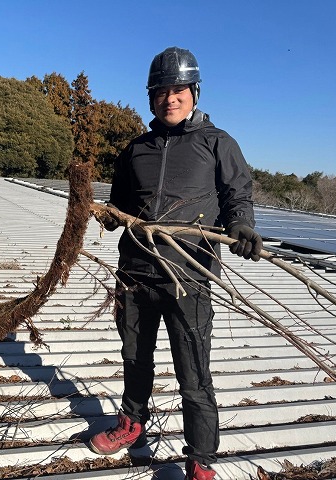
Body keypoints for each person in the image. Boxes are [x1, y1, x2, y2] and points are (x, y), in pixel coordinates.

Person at [88, 47, 263, 480]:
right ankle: (132, 424)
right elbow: (121, 207)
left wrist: (240, 225)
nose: (171, 98)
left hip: (188, 275)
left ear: (194, 92)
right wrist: (102, 214)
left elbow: (237, 196)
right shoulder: (135, 149)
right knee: (134, 357)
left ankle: (201, 459)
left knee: (193, 371)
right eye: (162, 91)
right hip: (135, 272)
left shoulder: (218, 143)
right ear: (151, 97)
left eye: (179, 89)